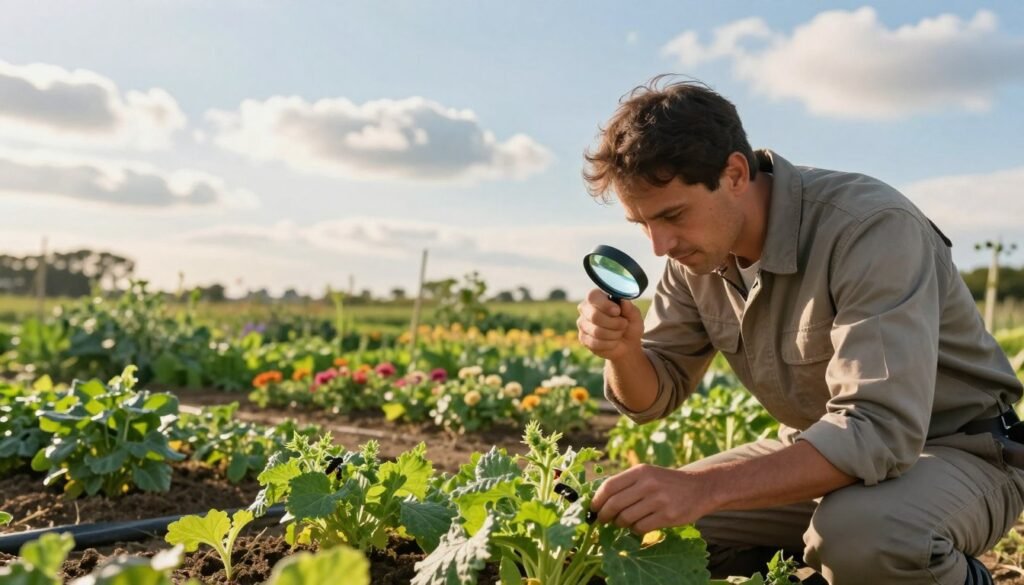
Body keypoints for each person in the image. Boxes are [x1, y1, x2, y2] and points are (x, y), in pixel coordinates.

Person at [577, 76, 1024, 585]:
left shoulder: (869, 226)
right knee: (629, 528)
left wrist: (702, 489)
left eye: (672, 215)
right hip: (821, 459)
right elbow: (653, 397)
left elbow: (880, 431)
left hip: (955, 452)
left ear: (735, 174)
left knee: (863, 538)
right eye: (642, 224)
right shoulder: (695, 254)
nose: (659, 246)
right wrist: (623, 351)